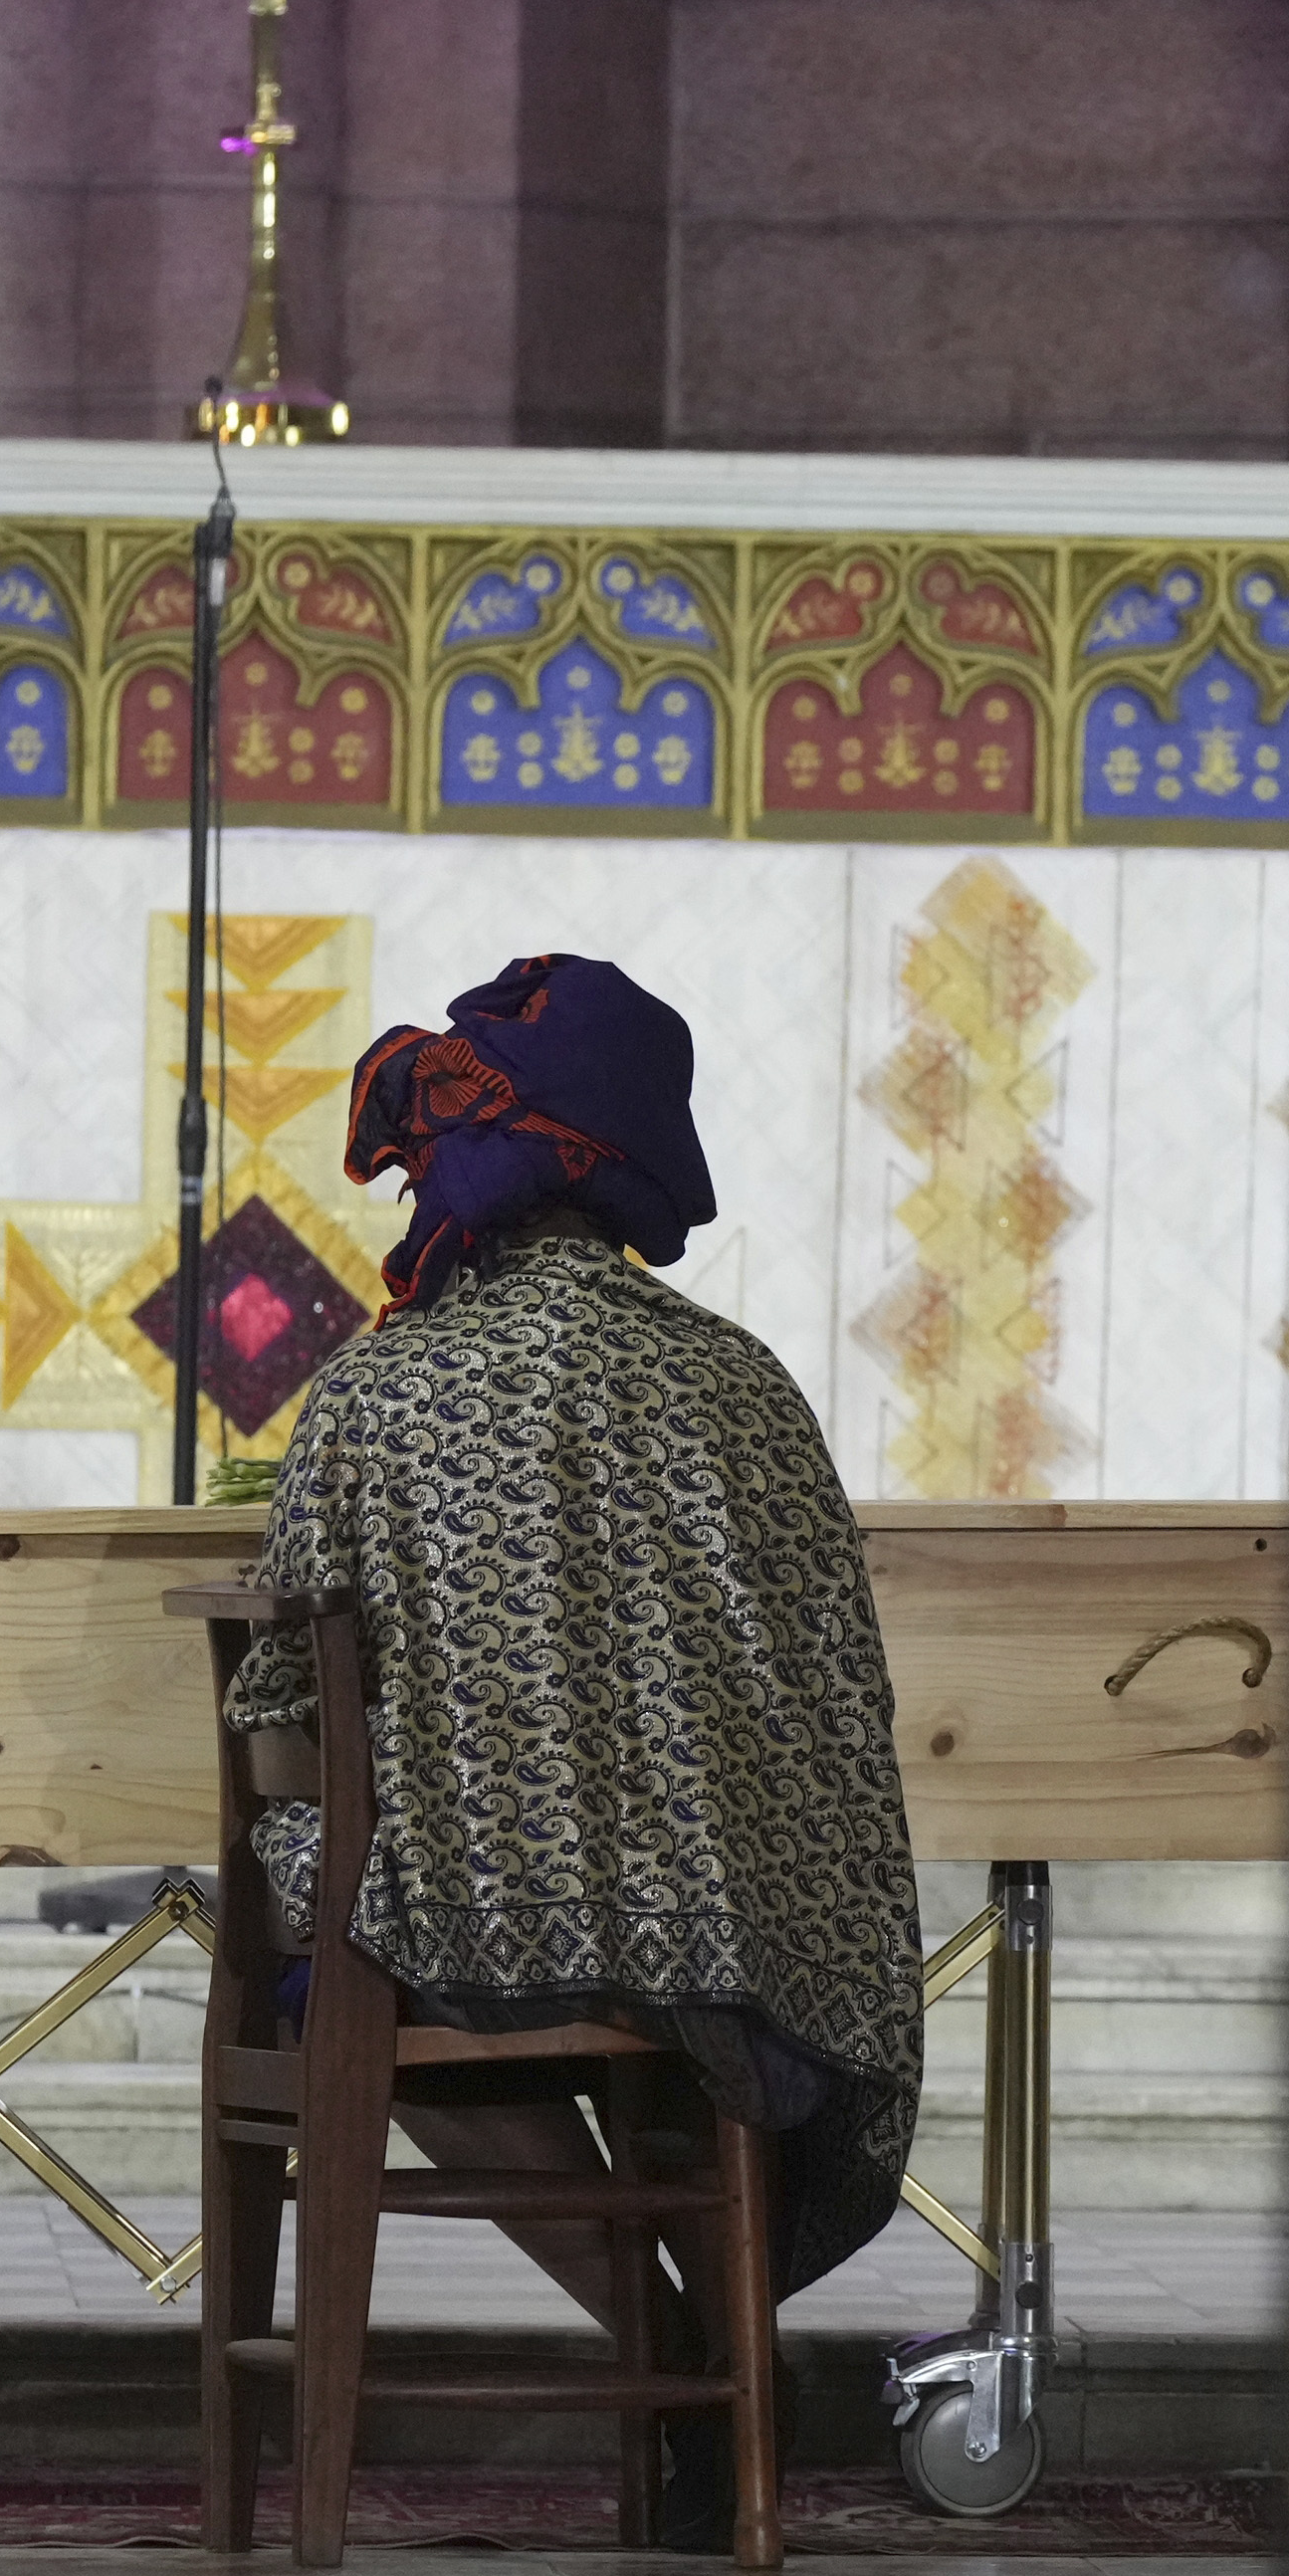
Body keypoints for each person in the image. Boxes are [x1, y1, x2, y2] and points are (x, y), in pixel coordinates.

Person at [223, 953, 920, 2322]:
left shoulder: (376, 1393)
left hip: (463, 1932)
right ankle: (726, 2361)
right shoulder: (745, 1389)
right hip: (728, 1943)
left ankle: (654, 2335)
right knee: (685, 1994)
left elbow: (285, 1704)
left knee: (368, 1966)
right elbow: (840, 1694)